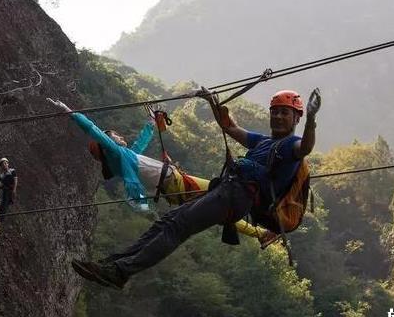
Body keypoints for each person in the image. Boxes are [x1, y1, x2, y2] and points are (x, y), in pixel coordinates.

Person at [69, 88, 321, 289]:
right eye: (275, 111)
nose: (277, 116)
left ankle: (120, 273)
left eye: (284, 113)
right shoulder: (264, 141)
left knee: (178, 228)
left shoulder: (292, 146)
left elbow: (306, 148)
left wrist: (311, 121)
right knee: (165, 222)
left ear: (296, 117)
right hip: (226, 189)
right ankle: (112, 264)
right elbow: (230, 128)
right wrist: (212, 102)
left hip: (237, 196)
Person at [47, 98, 267, 242]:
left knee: (223, 209)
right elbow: (93, 130)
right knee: (226, 197)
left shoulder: (126, 160)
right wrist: (71, 112)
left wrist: (150, 123)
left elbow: (140, 145)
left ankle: (261, 233)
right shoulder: (117, 154)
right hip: (176, 184)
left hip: (175, 184)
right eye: (115, 136)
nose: (120, 137)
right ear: (107, 146)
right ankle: (263, 228)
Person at [0, 158, 17, 222]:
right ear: (1, 166)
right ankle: (1, 219)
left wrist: (14, 189)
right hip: (5, 190)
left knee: (5, 204)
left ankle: (1, 220)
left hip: (10, 190)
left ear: (8, 164)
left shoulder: (12, 171)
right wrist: (0, 184)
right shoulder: (2, 175)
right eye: (3, 164)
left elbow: (15, 179)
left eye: (5, 163)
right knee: (3, 204)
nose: (4, 165)